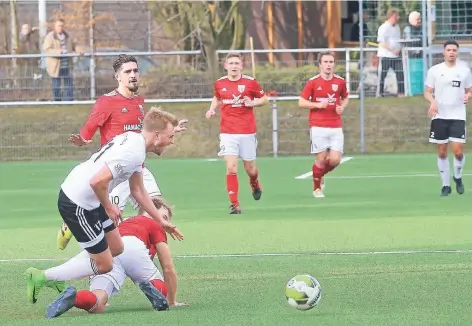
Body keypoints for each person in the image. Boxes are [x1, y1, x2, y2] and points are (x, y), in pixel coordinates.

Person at [25, 107, 184, 304]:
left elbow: (138, 190)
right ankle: (43, 276)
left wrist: (161, 220)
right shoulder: (134, 152)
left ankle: (58, 277)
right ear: (157, 134)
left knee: (117, 247)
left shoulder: (135, 142)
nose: (172, 141)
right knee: (105, 265)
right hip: (78, 202)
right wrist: (109, 206)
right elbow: (97, 181)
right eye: (170, 136)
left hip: (90, 198)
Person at [56, 54, 187, 250]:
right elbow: (89, 128)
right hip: (113, 173)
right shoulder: (106, 102)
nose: (133, 75)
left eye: (135, 70)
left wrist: (168, 132)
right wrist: (83, 139)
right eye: (128, 72)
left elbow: (148, 132)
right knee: (111, 222)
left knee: (158, 209)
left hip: (136, 169)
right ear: (118, 76)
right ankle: (74, 229)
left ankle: (144, 254)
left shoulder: (140, 102)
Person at [45, 197, 184, 318]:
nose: (165, 223)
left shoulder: (126, 222)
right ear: (150, 211)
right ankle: (154, 288)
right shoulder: (154, 224)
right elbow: (168, 267)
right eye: (164, 217)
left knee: (98, 302)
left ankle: (75, 298)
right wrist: (172, 300)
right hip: (133, 247)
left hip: (108, 250)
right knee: (158, 284)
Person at [205, 52, 268, 214]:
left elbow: (264, 99)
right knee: (231, 168)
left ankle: (254, 183)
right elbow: (217, 98)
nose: (234, 66)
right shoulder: (220, 83)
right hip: (228, 132)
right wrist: (212, 109)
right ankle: (235, 204)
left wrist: (253, 102)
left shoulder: (250, 82)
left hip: (247, 132)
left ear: (241, 66)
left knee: (250, 169)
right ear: (225, 66)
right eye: (231, 63)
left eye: (236, 63)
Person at [424, 40, 472, 196]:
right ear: (443, 52)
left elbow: (469, 90)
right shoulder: (435, 70)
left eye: (454, 50)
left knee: (458, 152)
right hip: (440, 116)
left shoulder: (464, 70)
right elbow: (427, 92)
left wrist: (468, 95)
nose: (451, 52)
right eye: (449, 50)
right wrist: (432, 102)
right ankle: (445, 186)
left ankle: (457, 176)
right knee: (442, 151)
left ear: (457, 52)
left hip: (458, 115)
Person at [298, 52, 349, 198]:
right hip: (318, 126)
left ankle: (319, 175)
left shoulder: (340, 82)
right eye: (325, 62)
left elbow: (345, 97)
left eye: (331, 62)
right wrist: (317, 105)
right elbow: (301, 102)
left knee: (335, 159)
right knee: (321, 159)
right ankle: (316, 188)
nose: (328, 64)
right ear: (320, 64)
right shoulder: (313, 82)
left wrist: (342, 107)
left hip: (335, 126)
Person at [43, 18, 77, 101]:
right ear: (55, 26)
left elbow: (75, 45)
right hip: (55, 65)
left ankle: (69, 101)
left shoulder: (68, 36)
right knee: (56, 85)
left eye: (62, 26)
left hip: (67, 64)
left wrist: (79, 50)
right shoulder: (50, 36)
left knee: (69, 84)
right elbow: (47, 49)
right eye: (59, 26)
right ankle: (57, 101)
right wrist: (58, 52)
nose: (60, 27)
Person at [376, 7, 405, 97]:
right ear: (391, 16)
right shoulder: (383, 27)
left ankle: (401, 93)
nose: (398, 17)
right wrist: (392, 50)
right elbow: (382, 42)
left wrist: (399, 50)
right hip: (386, 55)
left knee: (400, 73)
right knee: (382, 74)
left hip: (396, 56)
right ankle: (380, 93)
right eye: (396, 16)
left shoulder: (397, 27)